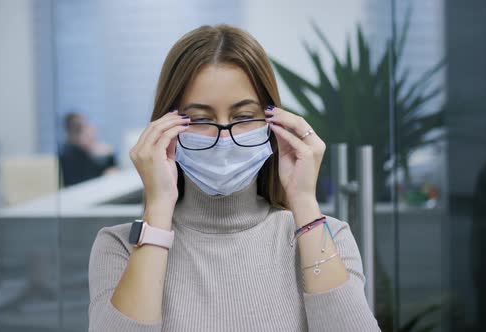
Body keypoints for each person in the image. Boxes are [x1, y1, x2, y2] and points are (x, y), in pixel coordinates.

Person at [88, 24, 381, 331]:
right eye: (200, 119)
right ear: (164, 127)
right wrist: (159, 207)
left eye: (243, 117)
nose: (223, 138)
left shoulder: (326, 237)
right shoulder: (119, 247)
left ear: (274, 124)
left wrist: (304, 202)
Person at [59, 112, 118, 187]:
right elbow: (82, 183)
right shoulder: (68, 155)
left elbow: (111, 171)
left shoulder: (85, 152)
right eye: (81, 129)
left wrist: (109, 155)